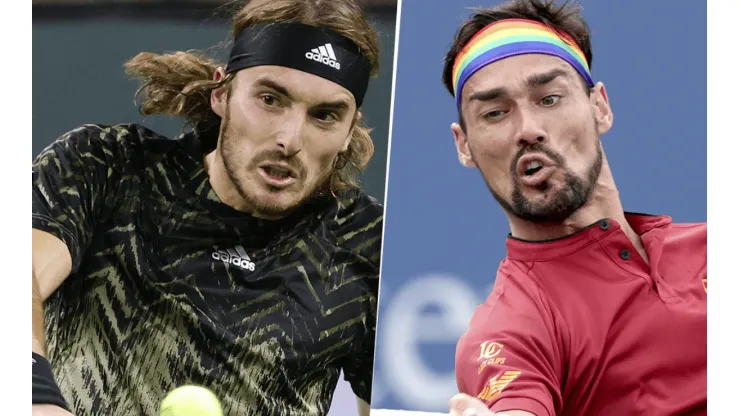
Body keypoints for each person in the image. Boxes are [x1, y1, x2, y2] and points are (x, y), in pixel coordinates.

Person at [31, 0, 385, 415]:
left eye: (324, 116)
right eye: (270, 99)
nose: (289, 139)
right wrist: (35, 395)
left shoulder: (370, 244)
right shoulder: (107, 165)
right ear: (222, 93)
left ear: (348, 131)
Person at [439, 1, 707, 415]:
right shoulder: (509, 329)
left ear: (599, 106)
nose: (528, 130)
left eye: (548, 98)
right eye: (495, 112)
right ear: (464, 146)